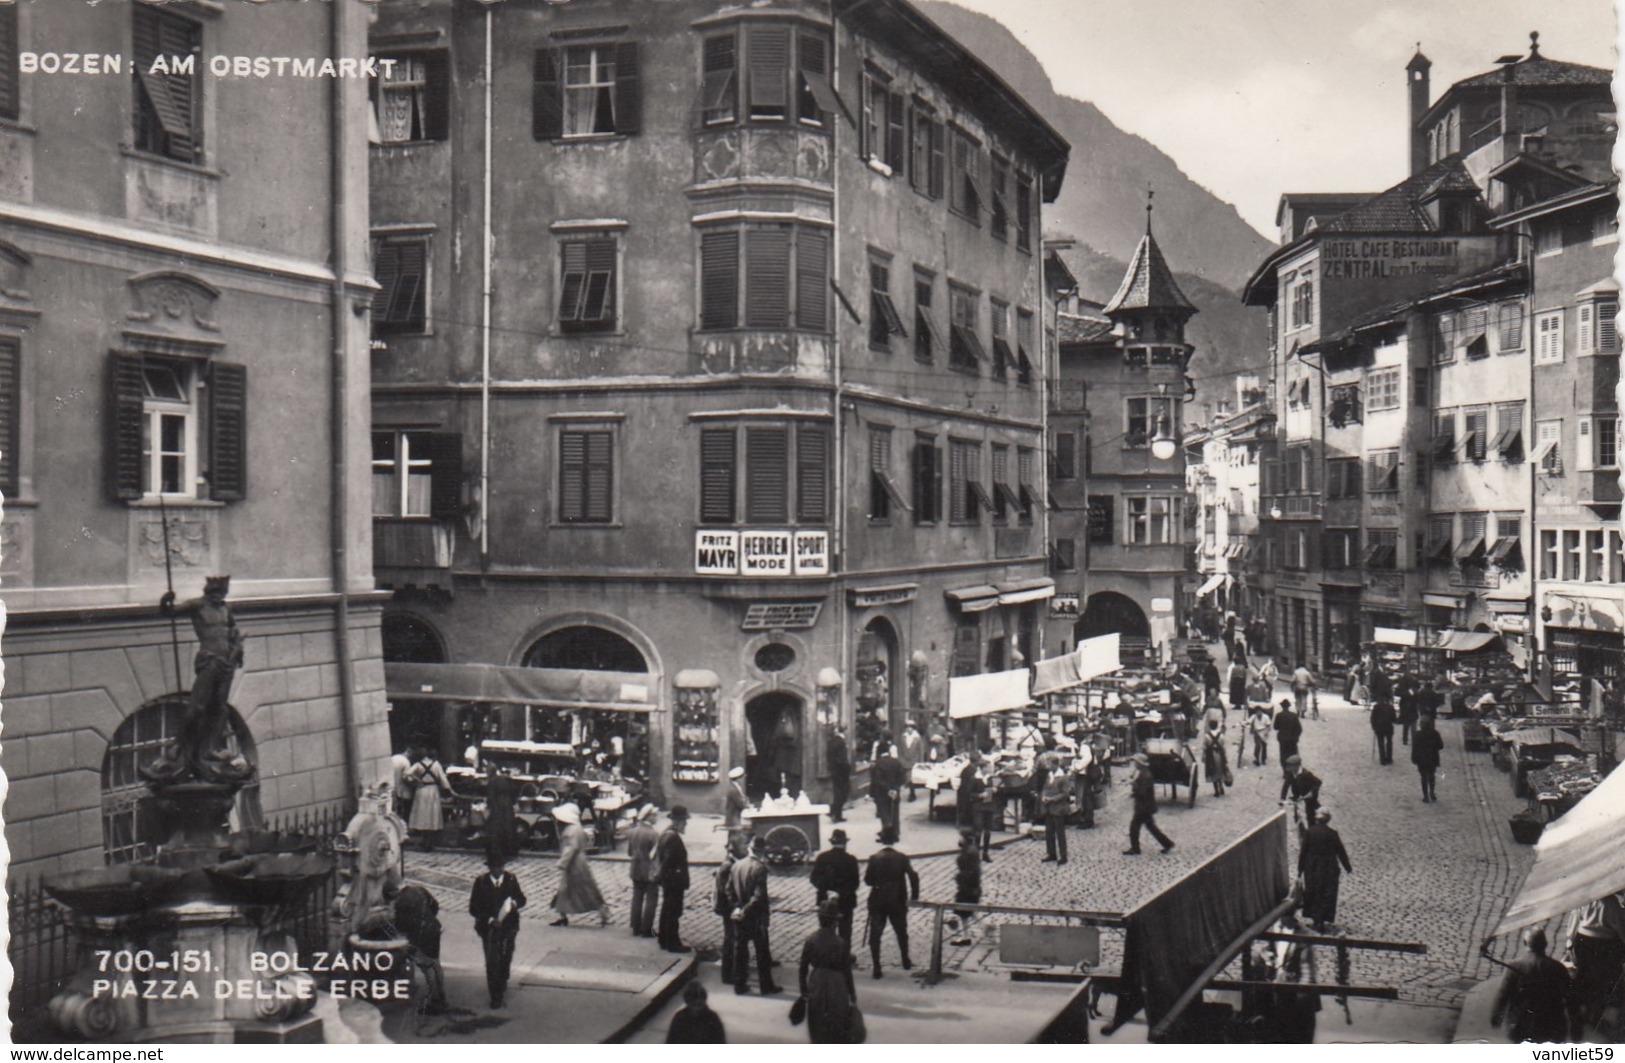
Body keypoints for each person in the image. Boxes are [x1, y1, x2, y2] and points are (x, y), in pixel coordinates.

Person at [149, 575, 247, 782]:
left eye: (224, 593)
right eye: (219, 592)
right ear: (210, 590)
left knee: (219, 708)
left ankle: (213, 748)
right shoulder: (197, 605)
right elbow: (169, 612)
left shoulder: (225, 609)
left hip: (226, 663)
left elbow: (234, 631)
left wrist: (238, 648)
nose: (222, 596)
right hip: (209, 661)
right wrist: (166, 600)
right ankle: (178, 746)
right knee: (197, 707)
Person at [1492, 927, 1580, 1043]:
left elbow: (1503, 995)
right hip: (1551, 1027)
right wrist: (1576, 1027)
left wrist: (1496, 1018)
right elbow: (1571, 999)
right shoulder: (1558, 968)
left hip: (1520, 1026)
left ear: (1525, 943)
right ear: (1545, 944)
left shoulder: (1514, 967)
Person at [799, 899, 862, 1043]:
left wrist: (803, 990)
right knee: (837, 1021)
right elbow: (847, 971)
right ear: (835, 922)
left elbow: (803, 967)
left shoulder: (811, 940)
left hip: (817, 981)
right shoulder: (840, 943)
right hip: (836, 984)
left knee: (817, 1021)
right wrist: (852, 993)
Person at [469, 850, 526, 1009]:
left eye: (500, 867)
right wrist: (489, 920)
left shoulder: (511, 880)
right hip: (489, 929)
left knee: (506, 955)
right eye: (495, 867)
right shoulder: (480, 882)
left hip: (509, 926)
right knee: (492, 960)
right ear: (490, 868)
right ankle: (496, 995)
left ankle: (503, 977)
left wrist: (514, 903)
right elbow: (474, 908)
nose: (498, 870)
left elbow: (522, 899)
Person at [728, 834, 782, 995]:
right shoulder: (759, 868)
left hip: (739, 916)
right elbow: (759, 896)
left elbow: (728, 890)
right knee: (762, 952)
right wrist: (746, 910)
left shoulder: (737, 865)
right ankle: (766, 986)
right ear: (762, 852)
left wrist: (737, 908)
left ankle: (739, 985)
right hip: (756, 917)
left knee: (740, 951)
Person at [864, 826, 919, 978]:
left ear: (881, 840)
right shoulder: (902, 857)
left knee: (875, 934)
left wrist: (877, 882)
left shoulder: (874, 858)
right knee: (901, 931)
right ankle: (905, 960)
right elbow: (913, 876)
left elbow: (868, 880)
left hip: (878, 900)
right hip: (897, 899)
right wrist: (914, 896)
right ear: (895, 840)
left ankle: (876, 966)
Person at [1567, 891, 1625, 1034]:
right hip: (1603, 945)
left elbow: (1573, 923)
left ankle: (1581, 1012)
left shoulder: (1584, 900)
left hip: (1583, 942)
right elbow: (1619, 926)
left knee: (1584, 977)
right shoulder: (1610, 903)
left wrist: (1570, 943)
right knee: (1602, 980)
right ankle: (1595, 1015)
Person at [391, 881, 448, 1013]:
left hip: (421, 936)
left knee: (426, 967)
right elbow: (435, 906)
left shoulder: (400, 903)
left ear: (394, 892)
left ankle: (434, 1001)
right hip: (434, 929)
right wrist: (428, 919)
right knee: (435, 963)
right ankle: (441, 994)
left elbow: (401, 927)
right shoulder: (419, 889)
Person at [550, 802, 608, 927]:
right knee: (567, 889)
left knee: (583, 889)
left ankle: (602, 912)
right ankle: (563, 914)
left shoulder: (571, 830)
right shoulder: (576, 827)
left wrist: (562, 862)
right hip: (577, 862)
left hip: (575, 863)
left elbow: (571, 848)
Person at [1297, 808, 1352, 932]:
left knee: (1313, 892)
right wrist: (1347, 867)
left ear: (1317, 819)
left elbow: (1303, 852)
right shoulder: (1332, 833)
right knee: (1326, 893)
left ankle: (1316, 920)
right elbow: (1340, 851)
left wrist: (1300, 870)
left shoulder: (1310, 832)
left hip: (1312, 867)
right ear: (1328, 820)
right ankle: (1322, 919)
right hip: (1329, 867)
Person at [808, 828, 860, 942]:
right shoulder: (851, 860)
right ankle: (844, 957)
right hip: (846, 901)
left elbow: (814, 878)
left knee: (826, 930)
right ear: (845, 843)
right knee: (845, 932)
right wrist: (840, 893)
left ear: (832, 842)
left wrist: (827, 890)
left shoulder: (822, 858)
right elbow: (855, 883)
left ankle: (827, 956)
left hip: (825, 900)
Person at [654, 805, 692, 952]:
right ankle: (672, 942)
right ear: (678, 821)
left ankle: (664, 939)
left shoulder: (666, 834)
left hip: (668, 879)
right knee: (673, 911)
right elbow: (668, 860)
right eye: (684, 821)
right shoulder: (673, 838)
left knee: (667, 909)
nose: (686, 824)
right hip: (674, 880)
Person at [1123, 754, 1174, 856]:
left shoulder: (1145, 776)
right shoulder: (1143, 773)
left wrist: (1133, 785)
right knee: (1151, 827)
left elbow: (1142, 792)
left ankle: (1135, 848)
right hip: (1145, 806)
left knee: (1134, 827)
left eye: (1136, 762)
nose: (1135, 764)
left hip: (1143, 807)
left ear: (1140, 764)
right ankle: (1167, 844)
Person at [405, 745, 451, 851]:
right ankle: (429, 841)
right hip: (432, 790)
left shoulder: (418, 765)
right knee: (431, 814)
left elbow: (407, 774)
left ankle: (423, 839)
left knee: (422, 814)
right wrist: (448, 789)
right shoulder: (436, 765)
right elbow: (443, 780)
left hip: (421, 790)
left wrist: (416, 780)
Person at [624, 805, 659, 939]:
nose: (656, 818)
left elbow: (629, 852)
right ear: (649, 816)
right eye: (655, 815)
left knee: (637, 898)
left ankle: (635, 926)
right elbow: (656, 855)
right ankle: (646, 928)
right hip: (649, 871)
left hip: (635, 869)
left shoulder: (633, 831)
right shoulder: (653, 834)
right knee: (651, 899)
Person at [714, 833, 744, 986]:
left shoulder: (731, 863)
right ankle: (727, 974)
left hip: (728, 907)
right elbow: (727, 891)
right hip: (729, 909)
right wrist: (736, 907)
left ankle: (732, 970)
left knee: (732, 938)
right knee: (730, 939)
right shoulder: (728, 866)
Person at [666, 980, 726, 1044]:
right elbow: (671, 1040)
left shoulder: (712, 1018)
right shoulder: (680, 1018)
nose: (697, 1006)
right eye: (693, 1003)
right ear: (688, 1002)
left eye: (700, 1003)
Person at [949, 829, 982, 946]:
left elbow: (971, 872)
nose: (959, 840)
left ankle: (969, 935)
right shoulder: (970, 850)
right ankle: (966, 936)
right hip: (969, 886)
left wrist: (960, 878)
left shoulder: (969, 853)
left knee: (965, 911)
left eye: (961, 837)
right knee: (968, 913)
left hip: (968, 887)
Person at [1039, 755, 1073, 864]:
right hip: (1049, 808)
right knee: (1049, 832)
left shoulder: (1062, 777)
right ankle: (1051, 853)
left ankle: (1063, 856)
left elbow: (1065, 793)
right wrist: (1043, 796)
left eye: (1050, 765)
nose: (1048, 767)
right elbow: (1044, 788)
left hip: (1058, 808)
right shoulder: (1049, 775)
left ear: (1056, 765)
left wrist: (1052, 799)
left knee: (1060, 833)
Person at [870, 741, 906, 841]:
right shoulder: (896, 762)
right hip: (895, 791)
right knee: (894, 812)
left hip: (882, 793)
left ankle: (887, 834)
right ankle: (896, 832)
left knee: (884, 813)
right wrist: (895, 788)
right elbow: (902, 777)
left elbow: (877, 780)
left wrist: (887, 789)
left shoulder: (878, 764)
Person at [485, 766, 519, 864]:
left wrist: (488, 805)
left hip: (497, 806)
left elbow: (490, 796)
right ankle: (509, 852)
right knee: (508, 827)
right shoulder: (506, 779)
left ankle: (497, 854)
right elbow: (514, 793)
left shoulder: (492, 781)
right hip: (507, 805)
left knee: (495, 829)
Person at [1281, 755, 1322, 826]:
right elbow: (1286, 785)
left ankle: (1313, 828)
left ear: (1296, 766)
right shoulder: (1290, 773)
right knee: (1297, 813)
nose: (1288, 767)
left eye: (1290, 765)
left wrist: (1311, 792)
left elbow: (1318, 782)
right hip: (1299, 795)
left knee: (1310, 815)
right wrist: (1282, 798)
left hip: (1309, 797)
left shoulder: (1306, 774)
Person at [1412, 716, 1444, 803]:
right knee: (1431, 776)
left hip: (1421, 759)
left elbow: (1414, 748)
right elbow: (1440, 746)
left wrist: (1414, 758)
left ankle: (1425, 796)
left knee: (1423, 777)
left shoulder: (1418, 735)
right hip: (1432, 758)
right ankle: (1432, 792)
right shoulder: (1435, 733)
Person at [1201, 706, 1228, 797]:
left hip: (1211, 755)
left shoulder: (1207, 736)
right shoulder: (1221, 736)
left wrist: (1203, 756)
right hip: (1220, 755)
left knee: (1212, 771)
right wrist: (1225, 757)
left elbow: (1204, 747)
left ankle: (1216, 790)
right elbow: (1223, 747)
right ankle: (1221, 786)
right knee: (1220, 771)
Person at [389, 741, 419, 821]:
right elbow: (406, 778)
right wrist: (415, 780)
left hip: (392, 788)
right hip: (402, 791)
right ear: (410, 752)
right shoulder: (406, 762)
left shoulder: (393, 758)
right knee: (403, 812)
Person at [826, 726, 851, 822]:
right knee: (843, 792)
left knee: (837, 792)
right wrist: (847, 768)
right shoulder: (841, 742)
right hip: (841, 771)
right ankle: (836, 813)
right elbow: (842, 759)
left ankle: (834, 812)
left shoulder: (831, 741)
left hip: (834, 771)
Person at [1274, 697, 1302, 768]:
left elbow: (1275, 727)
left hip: (1282, 739)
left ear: (1282, 706)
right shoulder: (1293, 715)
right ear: (1288, 706)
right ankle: (1292, 771)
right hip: (1292, 740)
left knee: (1283, 755)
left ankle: (1285, 771)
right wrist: (1296, 737)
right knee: (1292, 755)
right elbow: (1299, 729)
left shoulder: (1279, 715)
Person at [899, 722, 924, 801]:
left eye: (910, 727)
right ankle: (911, 791)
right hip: (905, 760)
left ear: (913, 728)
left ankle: (912, 793)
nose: (909, 729)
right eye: (907, 727)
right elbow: (900, 749)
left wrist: (921, 761)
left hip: (914, 760)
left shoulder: (917, 738)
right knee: (907, 777)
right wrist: (901, 759)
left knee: (911, 777)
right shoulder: (903, 737)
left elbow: (921, 750)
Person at [1370, 698, 1397, 766]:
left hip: (1379, 728)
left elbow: (1373, 718)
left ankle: (1382, 759)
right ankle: (1389, 758)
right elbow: (1394, 719)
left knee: (1381, 743)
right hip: (1388, 727)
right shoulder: (1390, 707)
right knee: (1389, 743)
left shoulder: (1377, 706)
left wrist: (1374, 726)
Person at [723, 765, 751, 829]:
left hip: (735, 816)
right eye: (743, 776)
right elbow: (741, 803)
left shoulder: (737, 786)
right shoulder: (733, 790)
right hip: (733, 818)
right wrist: (748, 805)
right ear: (738, 778)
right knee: (736, 834)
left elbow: (743, 797)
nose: (744, 778)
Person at [1397, 677, 1419, 747]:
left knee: (1413, 728)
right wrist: (1402, 712)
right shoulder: (1405, 694)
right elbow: (1401, 704)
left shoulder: (1415, 695)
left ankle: (1414, 740)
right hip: (1406, 714)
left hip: (1413, 713)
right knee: (1406, 727)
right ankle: (1405, 739)